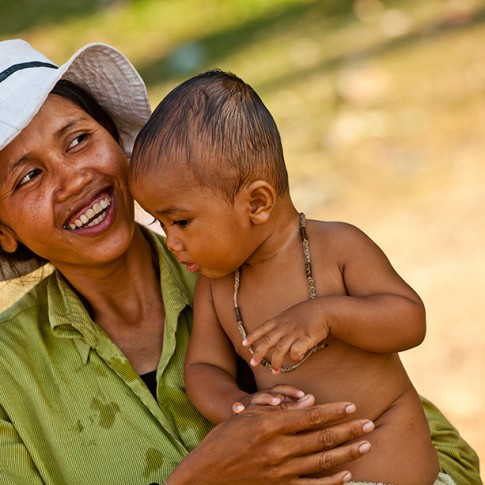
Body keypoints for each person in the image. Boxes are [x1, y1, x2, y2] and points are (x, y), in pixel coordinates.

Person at [0, 40, 480, 485]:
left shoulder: (261, 261)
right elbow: (207, 375)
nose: (73, 179)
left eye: (79, 139)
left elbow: (448, 454)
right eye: (29, 176)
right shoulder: (10, 379)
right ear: (4, 232)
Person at [129, 70, 481, 485]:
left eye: (182, 221)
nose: (172, 242)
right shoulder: (217, 287)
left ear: (257, 202)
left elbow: (409, 320)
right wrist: (242, 407)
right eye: (161, 224)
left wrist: (329, 315)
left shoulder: (337, 248)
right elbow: (204, 369)